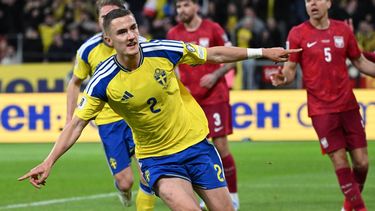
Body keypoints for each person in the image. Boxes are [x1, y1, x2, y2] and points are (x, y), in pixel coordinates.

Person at [18, 8, 300, 211]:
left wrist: (261, 52)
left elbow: (212, 54)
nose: (130, 36)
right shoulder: (102, 81)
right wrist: (49, 161)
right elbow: (76, 124)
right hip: (158, 160)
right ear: (108, 40)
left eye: (133, 29)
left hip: (196, 145)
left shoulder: (162, 50)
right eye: (122, 32)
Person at [269, 0, 375, 211]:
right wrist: (283, 78)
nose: (312, 4)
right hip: (321, 111)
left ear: (328, 3)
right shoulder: (297, 33)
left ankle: (347, 207)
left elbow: (360, 62)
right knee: (340, 162)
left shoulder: (342, 29)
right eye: (308, 1)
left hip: (348, 106)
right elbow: (290, 69)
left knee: (362, 163)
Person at [66, 0, 156, 209]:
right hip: (107, 122)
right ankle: (123, 191)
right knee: (126, 182)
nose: (108, 20)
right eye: (103, 17)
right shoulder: (88, 50)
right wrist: (71, 119)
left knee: (147, 170)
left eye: (112, 15)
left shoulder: (140, 43)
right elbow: (75, 83)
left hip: (136, 116)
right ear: (99, 21)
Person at [167, 0, 239, 209]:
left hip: (215, 96)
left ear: (196, 7)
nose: (182, 10)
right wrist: (179, 87)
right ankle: (205, 193)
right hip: (189, 101)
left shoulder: (213, 28)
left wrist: (215, 75)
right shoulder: (173, 33)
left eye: (186, 5)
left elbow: (231, 57)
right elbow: (172, 66)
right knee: (193, 148)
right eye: (179, 7)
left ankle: (232, 195)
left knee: (220, 145)